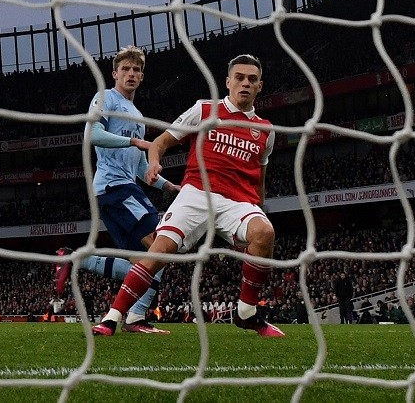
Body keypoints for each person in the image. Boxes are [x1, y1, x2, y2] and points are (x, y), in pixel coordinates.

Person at [92, 53, 283, 338]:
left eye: (252, 80)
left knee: (265, 232)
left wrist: (258, 211)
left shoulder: (265, 131)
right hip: (196, 195)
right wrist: (154, 161)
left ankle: (247, 312)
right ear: (228, 82)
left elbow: (260, 180)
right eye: (240, 78)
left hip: (238, 202)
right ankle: (113, 317)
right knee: (159, 249)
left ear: (260, 86)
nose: (245, 83)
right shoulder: (204, 110)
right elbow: (161, 142)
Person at [53, 46, 179, 334]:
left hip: (125, 188)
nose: (131, 74)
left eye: (136, 70)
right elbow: (92, 134)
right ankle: (133, 315)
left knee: (145, 262)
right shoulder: (105, 98)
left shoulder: (137, 114)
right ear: (115, 73)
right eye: (125, 69)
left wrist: (167, 185)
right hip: (115, 188)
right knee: (160, 248)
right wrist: (134, 143)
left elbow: (137, 168)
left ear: (142, 76)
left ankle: (78, 261)